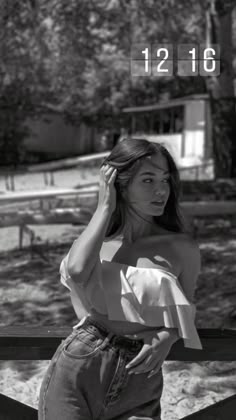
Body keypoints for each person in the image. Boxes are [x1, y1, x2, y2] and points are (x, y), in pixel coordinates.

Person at [38, 137, 202, 420]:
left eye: (165, 180)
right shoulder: (93, 243)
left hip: (140, 377)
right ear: (120, 186)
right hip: (80, 364)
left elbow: (187, 308)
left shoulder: (181, 247)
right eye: (148, 180)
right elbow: (76, 271)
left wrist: (169, 335)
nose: (161, 190)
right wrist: (105, 207)